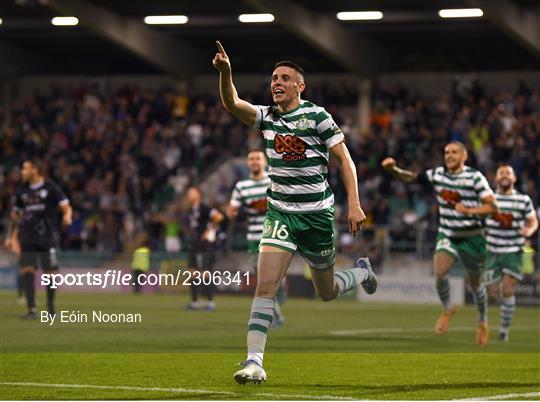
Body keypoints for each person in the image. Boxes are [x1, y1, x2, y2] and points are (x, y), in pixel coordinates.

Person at [213, 41, 377, 384]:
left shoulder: (318, 116)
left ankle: (361, 273)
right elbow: (231, 102)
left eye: (285, 78)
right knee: (266, 288)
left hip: (316, 215)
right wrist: (227, 73)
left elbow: (345, 160)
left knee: (326, 291)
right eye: (274, 77)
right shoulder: (266, 117)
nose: (277, 82)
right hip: (281, 215)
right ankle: (254, 362)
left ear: (299, 87)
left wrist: (355, 202)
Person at [381, 142, 498, 347]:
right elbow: (412, 178)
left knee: (475, 284)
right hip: (448, 233)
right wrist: (394, 170)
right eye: (446, 152)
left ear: (464, 156)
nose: (449, 155)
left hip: (472, 236)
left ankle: (482, 321)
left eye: (454, 152)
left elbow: (492, 206)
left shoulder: (475, 177)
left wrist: (469, 211)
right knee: (440, 271)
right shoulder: (437, 175)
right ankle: (448, 307)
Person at [4, 159, 72, 319]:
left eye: (25, 169)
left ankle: (50, 306)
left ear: (35, 170)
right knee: (27, 270)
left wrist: (67, 216)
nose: (22, 172)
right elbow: (15, 216)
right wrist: (10, 236)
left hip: (47, 237)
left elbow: (65, 205)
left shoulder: (50, 188)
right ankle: (32, 310)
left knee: (51, 273)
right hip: (27, 237)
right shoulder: (22, 191)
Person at [227, 149, 286, 328]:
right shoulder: (241, 187)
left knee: (269, 280)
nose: (254, 161)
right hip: (254, 240)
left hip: (275, 235)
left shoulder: (273, 180)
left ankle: (273, 312)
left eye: (257, 158)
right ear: (248, 163)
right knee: (263, 281)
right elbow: (231, 211)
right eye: (251, 159)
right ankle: (276, 313)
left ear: (265, 161)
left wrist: (266, 205)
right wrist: (242, 210)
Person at [483, 165, 538, 341]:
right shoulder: (488, 199)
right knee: (492, 293)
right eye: (501, 173)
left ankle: (504, 332)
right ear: (496, 178)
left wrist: (528, 231)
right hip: (491, 251)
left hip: (513, 251)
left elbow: (532, 221)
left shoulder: (523, 200)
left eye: (508, 173)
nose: (505, 176)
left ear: (514, 178)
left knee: (508, 290)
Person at [183, 186, 224, 311]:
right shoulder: (191, 210)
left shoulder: (204, 208)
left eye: (192, 192)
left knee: (206, 272)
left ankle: (210, 302)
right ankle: (195, 302)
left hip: (205, 245)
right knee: (192, 272)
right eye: (188, 192)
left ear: (198, 194)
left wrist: (208, 230)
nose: (189, 194)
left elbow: (219, 217)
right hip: (193, 244)